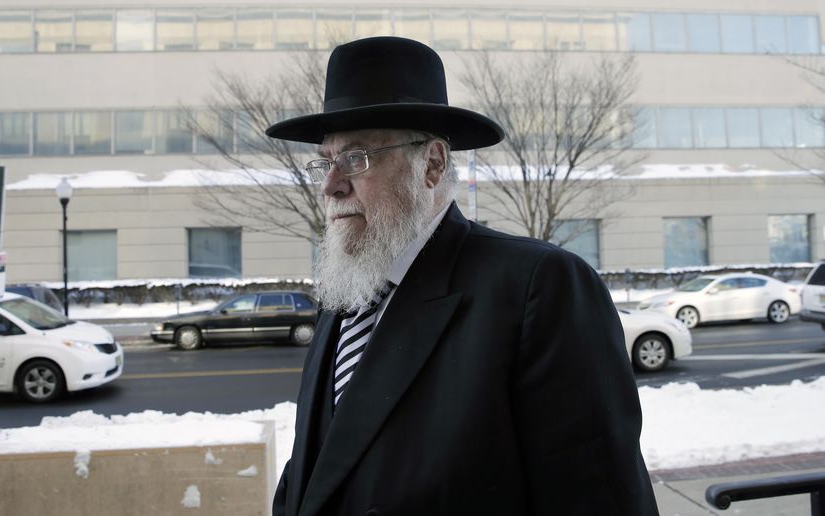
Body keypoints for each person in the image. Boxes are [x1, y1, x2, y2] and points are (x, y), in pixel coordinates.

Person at [265, 36, 659, 516]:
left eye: (356, 158)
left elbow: (598, 500)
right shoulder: (346, 295)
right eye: (325, 162)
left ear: (431, 164)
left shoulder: (537, 286)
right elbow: (313, 472)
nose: (330, 185)